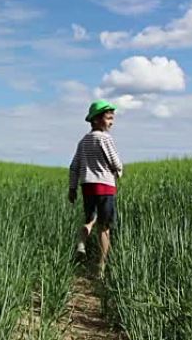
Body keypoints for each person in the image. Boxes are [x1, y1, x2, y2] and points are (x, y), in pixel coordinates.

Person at [68, 99, 123, 277]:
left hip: (87, 186)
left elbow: (74, 166)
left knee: (89, 219)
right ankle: (101, 267)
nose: (111, 122)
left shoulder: (83, 141)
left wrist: (72, 188)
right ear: (97, 120)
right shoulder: (105, 138)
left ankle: (81, 243)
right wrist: (119, 172)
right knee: (104, 227)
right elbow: (115, 162)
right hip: (105, 186)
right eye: (109, 118)